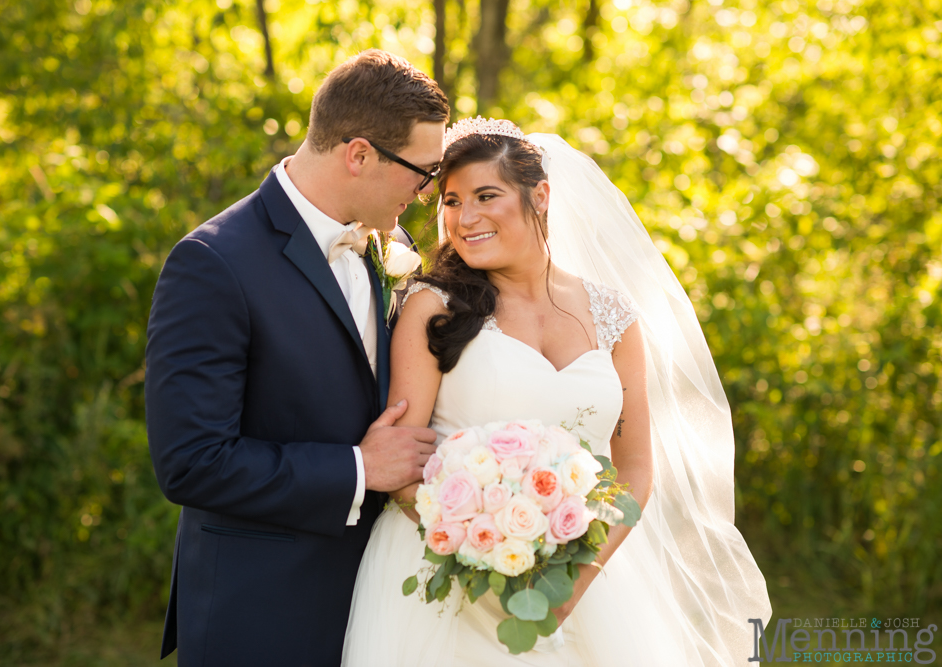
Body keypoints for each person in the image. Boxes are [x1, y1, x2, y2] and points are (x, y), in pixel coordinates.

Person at [341, 118, 772, 665]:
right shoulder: (434, 308)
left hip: (579, 576)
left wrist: (572, 581)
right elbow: (402, 463)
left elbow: (635, 468)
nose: (464, 218)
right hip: (447, 576)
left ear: (539, 195)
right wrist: (486, 555)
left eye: (485, 196)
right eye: (451, 201)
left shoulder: (612, 315)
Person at [144, 50, 448, 666]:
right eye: (422, 173)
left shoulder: (392, 245)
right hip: (263, 610)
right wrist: (359, 469)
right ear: (359, 155)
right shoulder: (213, 263)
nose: (424, 195)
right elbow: (192, 463)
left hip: (384, 605)